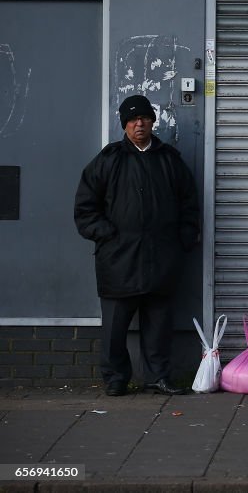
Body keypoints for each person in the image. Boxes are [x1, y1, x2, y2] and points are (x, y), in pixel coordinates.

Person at [74, 95, 200, 396]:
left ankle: (158, 377)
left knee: (158, 325)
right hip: (119, 260)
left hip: (162, 258)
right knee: (115, 327)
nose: (138, 123)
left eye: (143, 118)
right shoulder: (108, 160)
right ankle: (116, 378)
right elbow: (85, 209)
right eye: (132, 120)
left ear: (152, 121)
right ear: (124, 125)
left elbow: (189, 204)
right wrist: (108, 235)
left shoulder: (170, 160)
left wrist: (183, 238)